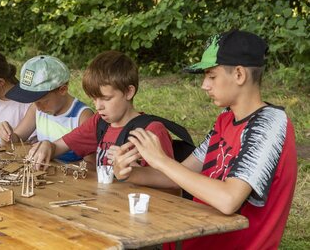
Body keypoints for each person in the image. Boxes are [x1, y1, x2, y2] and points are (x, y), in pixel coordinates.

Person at [111, 30, 297, 249]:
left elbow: (229, 200)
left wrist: (161, 160)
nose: (204, 85)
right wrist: (130, 173)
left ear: (239, 74)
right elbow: (179, 176)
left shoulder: (270, 123)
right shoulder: (226, 119)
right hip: (187, 237)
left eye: (211, 76)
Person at [29, 50, 175, 171]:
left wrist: (134, 171)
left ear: (129, 92)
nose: (98, 106)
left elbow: (172, 184)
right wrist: (48, 145)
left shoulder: (152, 131)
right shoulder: (98, 122)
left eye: (106, 98)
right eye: (94, 99)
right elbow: (59, 146)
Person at [0, 55, 93, 161]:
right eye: (35, 101)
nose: (38, 107)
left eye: (43, 101)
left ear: (62, 90)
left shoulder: (83, 116)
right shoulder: (36, 109)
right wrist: (7, 135)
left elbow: (91, 165)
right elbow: (16, 141)